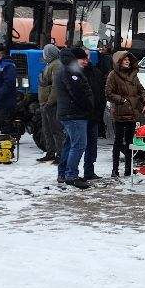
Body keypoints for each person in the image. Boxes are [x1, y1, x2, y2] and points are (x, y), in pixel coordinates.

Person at [54, 46, 94, 189]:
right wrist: (88, 107)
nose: (85, 61)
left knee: (69, 144)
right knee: (79, 145)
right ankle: (71, 175)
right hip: (74, 114)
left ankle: (64, 173)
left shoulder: (66, 69)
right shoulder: (70, 71)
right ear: (75, 59)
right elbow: (77, 93)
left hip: (70, 113)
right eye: (83, 59)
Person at [104, 49, 145, 179]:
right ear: (119, 62)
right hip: (119, 113)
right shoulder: (113, 75)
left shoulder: (133, 75)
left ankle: (128, 168)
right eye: (124, 59)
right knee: (118, 141)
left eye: (128, 59)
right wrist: (122, 100)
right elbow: (108, 93)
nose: (127, 61)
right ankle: (115, 169)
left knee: (130, 141)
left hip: (132, 112)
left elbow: (141, 90)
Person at [81, 50, 107, 180]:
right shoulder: (75, 73)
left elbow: (101, 93)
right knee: (76, 145)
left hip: (94, 114)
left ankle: (89, 171)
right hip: (80, 115)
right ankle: (69, 173)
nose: (85, 59)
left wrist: (100, 109)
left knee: (92, 144)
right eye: (83, 56)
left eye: (87, 56)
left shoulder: (96, 72)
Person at [36, 43, 63, 162]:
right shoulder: (50, 64)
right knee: (47, 129)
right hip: (45, 103)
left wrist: (50, 102)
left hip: (51, 104)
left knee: (56, 129)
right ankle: (50, 152)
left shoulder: (56, 65)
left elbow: (56, 86)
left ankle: (60, 154)